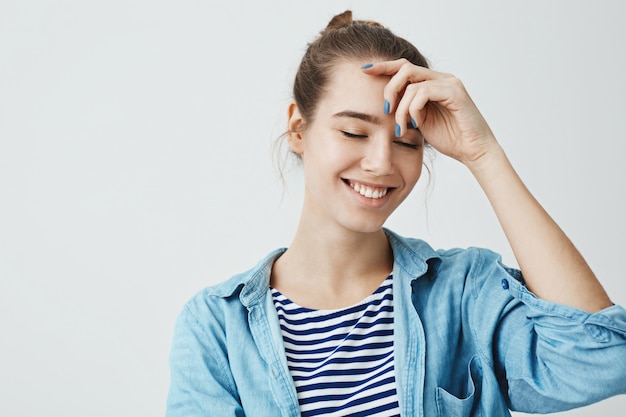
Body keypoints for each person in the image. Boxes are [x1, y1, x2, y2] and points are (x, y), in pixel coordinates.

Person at [165, 10, 626, 417]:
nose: (383, 162)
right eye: (353, 131)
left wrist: (483, 154)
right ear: (298, 129)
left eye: (408, 142)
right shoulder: (216, 327)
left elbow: (600, 361)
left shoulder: (464, 291)